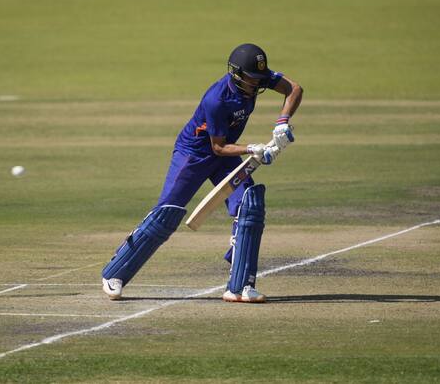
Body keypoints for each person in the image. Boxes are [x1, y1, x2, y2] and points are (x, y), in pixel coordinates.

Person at [102, 43, 303, 303]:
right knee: (167, 214)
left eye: (259, 78)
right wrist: (251, 148)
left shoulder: (257, 77)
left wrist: (282, 122)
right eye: (251, 79)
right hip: (194, 154)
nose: (257, 84)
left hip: (225, 154)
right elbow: (218, 147)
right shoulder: (216, 99)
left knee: (249, 204)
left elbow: (294, 89)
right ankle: (115, 272)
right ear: (237, 74)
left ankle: (240, 286)